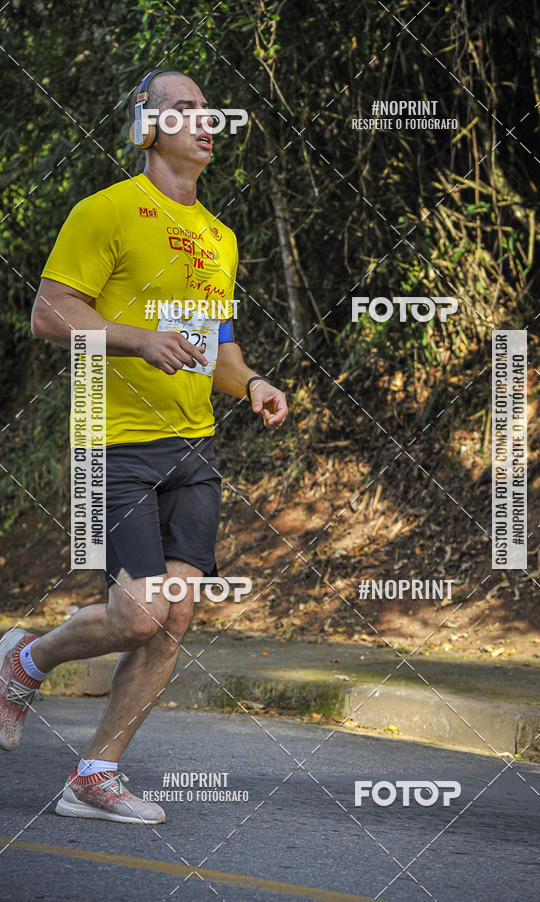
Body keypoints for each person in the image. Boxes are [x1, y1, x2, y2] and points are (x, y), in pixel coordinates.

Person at [0, 69, 288, 824]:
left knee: (177, 614)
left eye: (209, 110)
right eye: (185, 109)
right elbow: (49, 313)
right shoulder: (107, 212)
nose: (205, 120)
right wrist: (134, 339)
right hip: (116, 442)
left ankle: (94, 775)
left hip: (192, 447)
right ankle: (25, 660)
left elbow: (216, 346)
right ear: (147, 128)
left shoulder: (219, 236)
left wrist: (252, 382)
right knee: (136, 615)